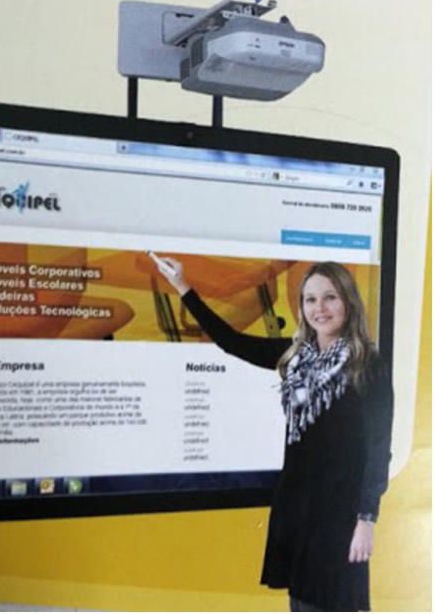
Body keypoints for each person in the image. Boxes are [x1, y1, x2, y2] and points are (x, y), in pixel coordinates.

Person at [153, 257, 394, 612]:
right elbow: (231, 341)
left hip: (341, 516)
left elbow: (378, 450)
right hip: (296, 506)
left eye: (330, 297)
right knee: (300, 603)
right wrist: (183, 287)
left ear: (348, 300)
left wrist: (366, 520)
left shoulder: (368, 366)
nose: (320, 308)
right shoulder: (294, 357)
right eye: (310, 299)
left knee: (336, 602)